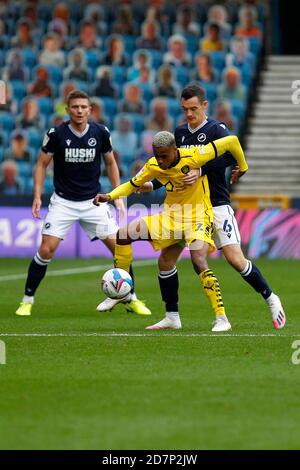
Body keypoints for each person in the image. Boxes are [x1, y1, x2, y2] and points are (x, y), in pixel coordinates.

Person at [149, 84, 286, 329]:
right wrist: (151, 183)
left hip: (216, 204)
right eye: (184, 109)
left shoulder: (216, 129)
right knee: (167, 260)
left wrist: (201, 169)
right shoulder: (179, 134)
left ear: (204, 106)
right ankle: (173, 317)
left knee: (236, 260)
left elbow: (233, 155)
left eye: (193, 109)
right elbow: (171, 166)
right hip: (188, 208)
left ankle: (270, 298)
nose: (189, 114)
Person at [94, 130, 249, 331]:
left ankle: (222, 318)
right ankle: (127, 293)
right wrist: (109, 196)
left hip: (198, 217)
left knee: (198, 260)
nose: (160, 160)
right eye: (156, 155)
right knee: (125, 236)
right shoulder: (153, 165)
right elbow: (132, 185)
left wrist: (243, 167)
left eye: (164, 156)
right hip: (171, 217)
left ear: (174, 150)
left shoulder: (194, 154)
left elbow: (232, 141)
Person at [15, 90, 150, 317]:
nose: (79, 110)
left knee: (120, 248)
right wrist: (37, 195)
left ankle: (131, 299)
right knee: (46, 249)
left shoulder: (100, 132)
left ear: (90, 110)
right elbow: (41, 164)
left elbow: (110, 163)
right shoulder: (56, 134)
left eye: (83, 107)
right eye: (75, 107)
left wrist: (116, 195)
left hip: (93, 202)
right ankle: (27, 300)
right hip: (63, 202)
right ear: (68, 110)